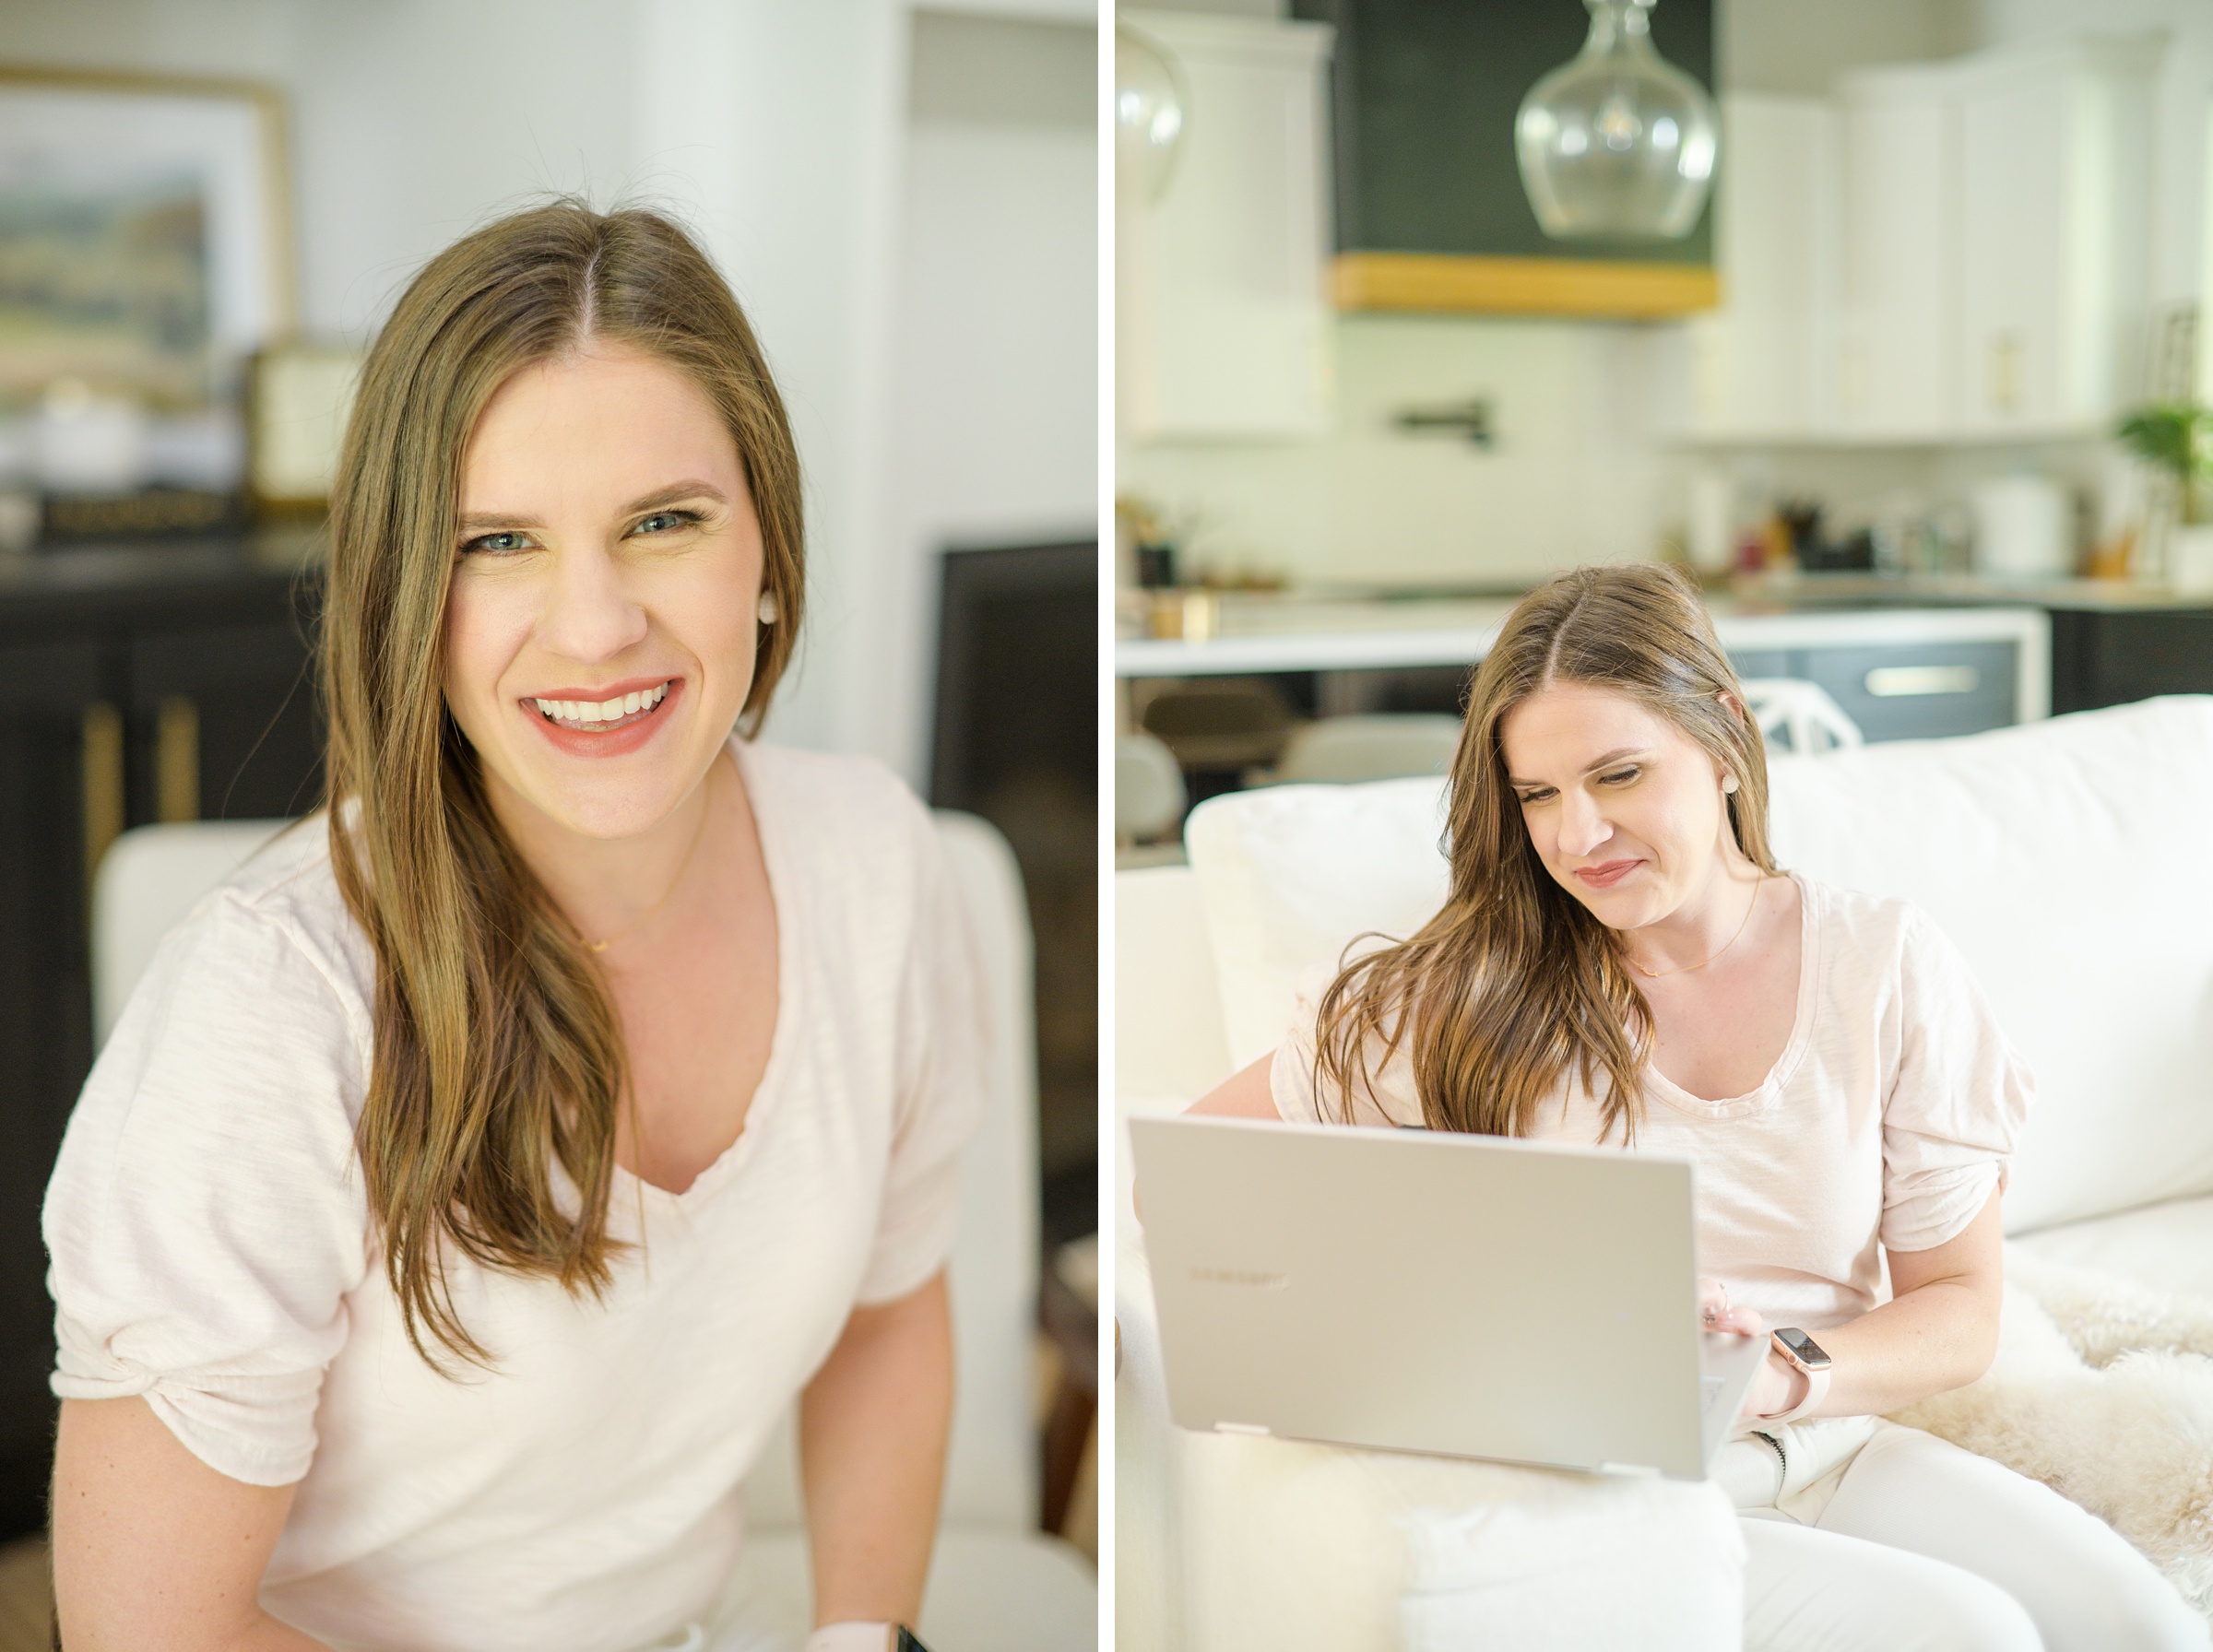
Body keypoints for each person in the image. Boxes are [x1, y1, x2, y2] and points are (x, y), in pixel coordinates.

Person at [44, 203, 981, 1652]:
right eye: (499, 542)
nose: (595, 625)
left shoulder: (875, 865)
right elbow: (144, 1636)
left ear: (769, 551)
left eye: (663, 522)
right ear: (409, 602)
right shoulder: (269, 1009)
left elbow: (885, 1311)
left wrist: (865, 1631)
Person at [1189, 563, 2208, 1652]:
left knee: (2139, 1623)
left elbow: (1960, 1305)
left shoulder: (1881, 962)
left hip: (1828, 1439)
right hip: (1623, 1488)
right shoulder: (1469, 994)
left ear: (1723, 734)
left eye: (1618, 774)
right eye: (1538, 795)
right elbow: (1201, 1169)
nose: (1578, 836)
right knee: (1973, 1633)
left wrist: (1785, 1368)